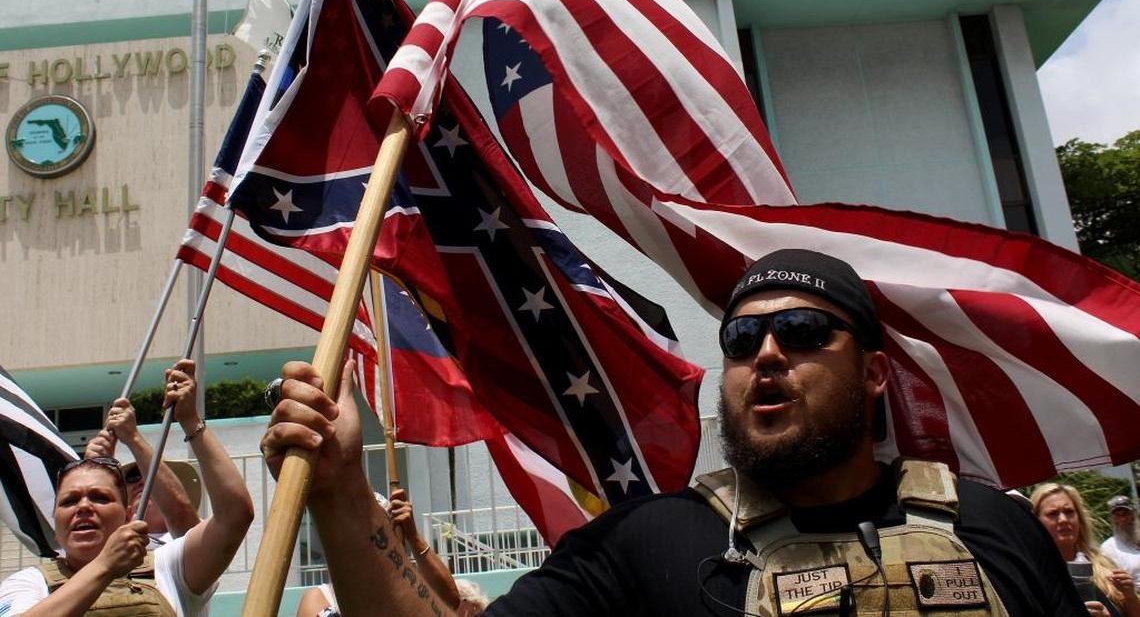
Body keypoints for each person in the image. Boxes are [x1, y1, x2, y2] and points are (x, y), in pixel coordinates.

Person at [261, 248, 1087, 616]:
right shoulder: (649, 544)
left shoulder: (994, 527)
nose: (765, 353)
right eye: (740, 338)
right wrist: (340, 491)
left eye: (802, 331)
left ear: (873, 373)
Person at [0, 359, 255, 616]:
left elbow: (234, 515)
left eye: (99, 497)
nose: (84, 507)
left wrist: (190, 421)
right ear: (55, 519)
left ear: (128, 514)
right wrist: (106, 564)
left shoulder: (168, 566)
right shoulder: (30, 584)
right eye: (69, 501)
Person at [296, 489, 460, 616]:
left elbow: (449, 600)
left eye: (376, 530)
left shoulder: (407, 589)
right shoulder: (320, 600)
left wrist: (413, 536)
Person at [84, 396, 201, 546]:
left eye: (150, 475)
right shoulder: (103, 543)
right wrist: (96, 470)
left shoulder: (191, 539)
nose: (141, 481)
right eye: (132, 477)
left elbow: (182, 516)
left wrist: (133, 438)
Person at [1031, 483, 1140, 617]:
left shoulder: (1104, 566)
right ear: (1036, 521)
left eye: (1069, 512)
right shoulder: (1036, 578)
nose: (1063, 519)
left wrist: (1130, 597)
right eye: (1053, 514)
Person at [1102, 496, 1140, 587]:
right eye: (1117, 515)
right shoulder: (1108, 548)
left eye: (1125, 514)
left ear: (1133, 515)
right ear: (1112, 519)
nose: (1122, 519)